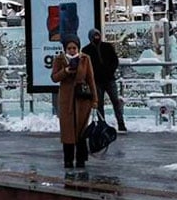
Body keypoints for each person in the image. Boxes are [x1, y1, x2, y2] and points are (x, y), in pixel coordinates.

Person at [51, 36, 98, 169]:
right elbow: (54, 78)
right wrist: (65, 71)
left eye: (74, 48)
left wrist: (95, 99)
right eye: (69, 48)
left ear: (78, 48)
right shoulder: (59, 59)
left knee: (81, 131)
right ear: (65, 49)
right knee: (68, 131)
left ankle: (81, 159)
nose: (72, 51)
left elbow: (91, 79)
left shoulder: (85, 59)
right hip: (66, 100)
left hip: (82, 100)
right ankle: (68, 159)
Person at [82, 28, 126, 132]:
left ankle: (121, 123)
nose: (96, 37)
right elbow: (86, 66)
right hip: (96, 81)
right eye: (94, 36)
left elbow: (115, 61)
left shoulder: (107, 47)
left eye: (98, 35)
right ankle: (102, 124)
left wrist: (110, 71)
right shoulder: (86, 50)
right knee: (99, 103)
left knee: (115, 101)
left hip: (109, 79)